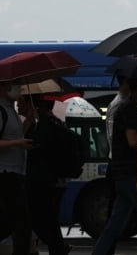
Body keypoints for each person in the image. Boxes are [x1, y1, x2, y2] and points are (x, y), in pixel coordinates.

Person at [92, 79, 137, 255]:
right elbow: (133, 141)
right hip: (130, 174)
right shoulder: (129, 109)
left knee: (115, 224)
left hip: (122, 174)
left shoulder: (131, 109)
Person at [18, 95, 70, 255]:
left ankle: (58, 248)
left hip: (38, 181)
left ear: (31, 103)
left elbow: (29, 147)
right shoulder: (53, 121)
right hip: (50, 180)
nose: (18, 106)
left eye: (21, 102)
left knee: (36, 219)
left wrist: (27, 125)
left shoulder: (40, 125)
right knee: (48, 220)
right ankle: (57, 247)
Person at [0, 81, 35, 255]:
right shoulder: (0, 110)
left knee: (16, 223)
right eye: (14, 85)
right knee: (21, 224)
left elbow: (15, 135)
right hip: (5, 174)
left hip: (16, 172)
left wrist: (28, 121)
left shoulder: (10, 109)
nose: (18, 89)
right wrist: (17, 143)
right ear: (4, 88)